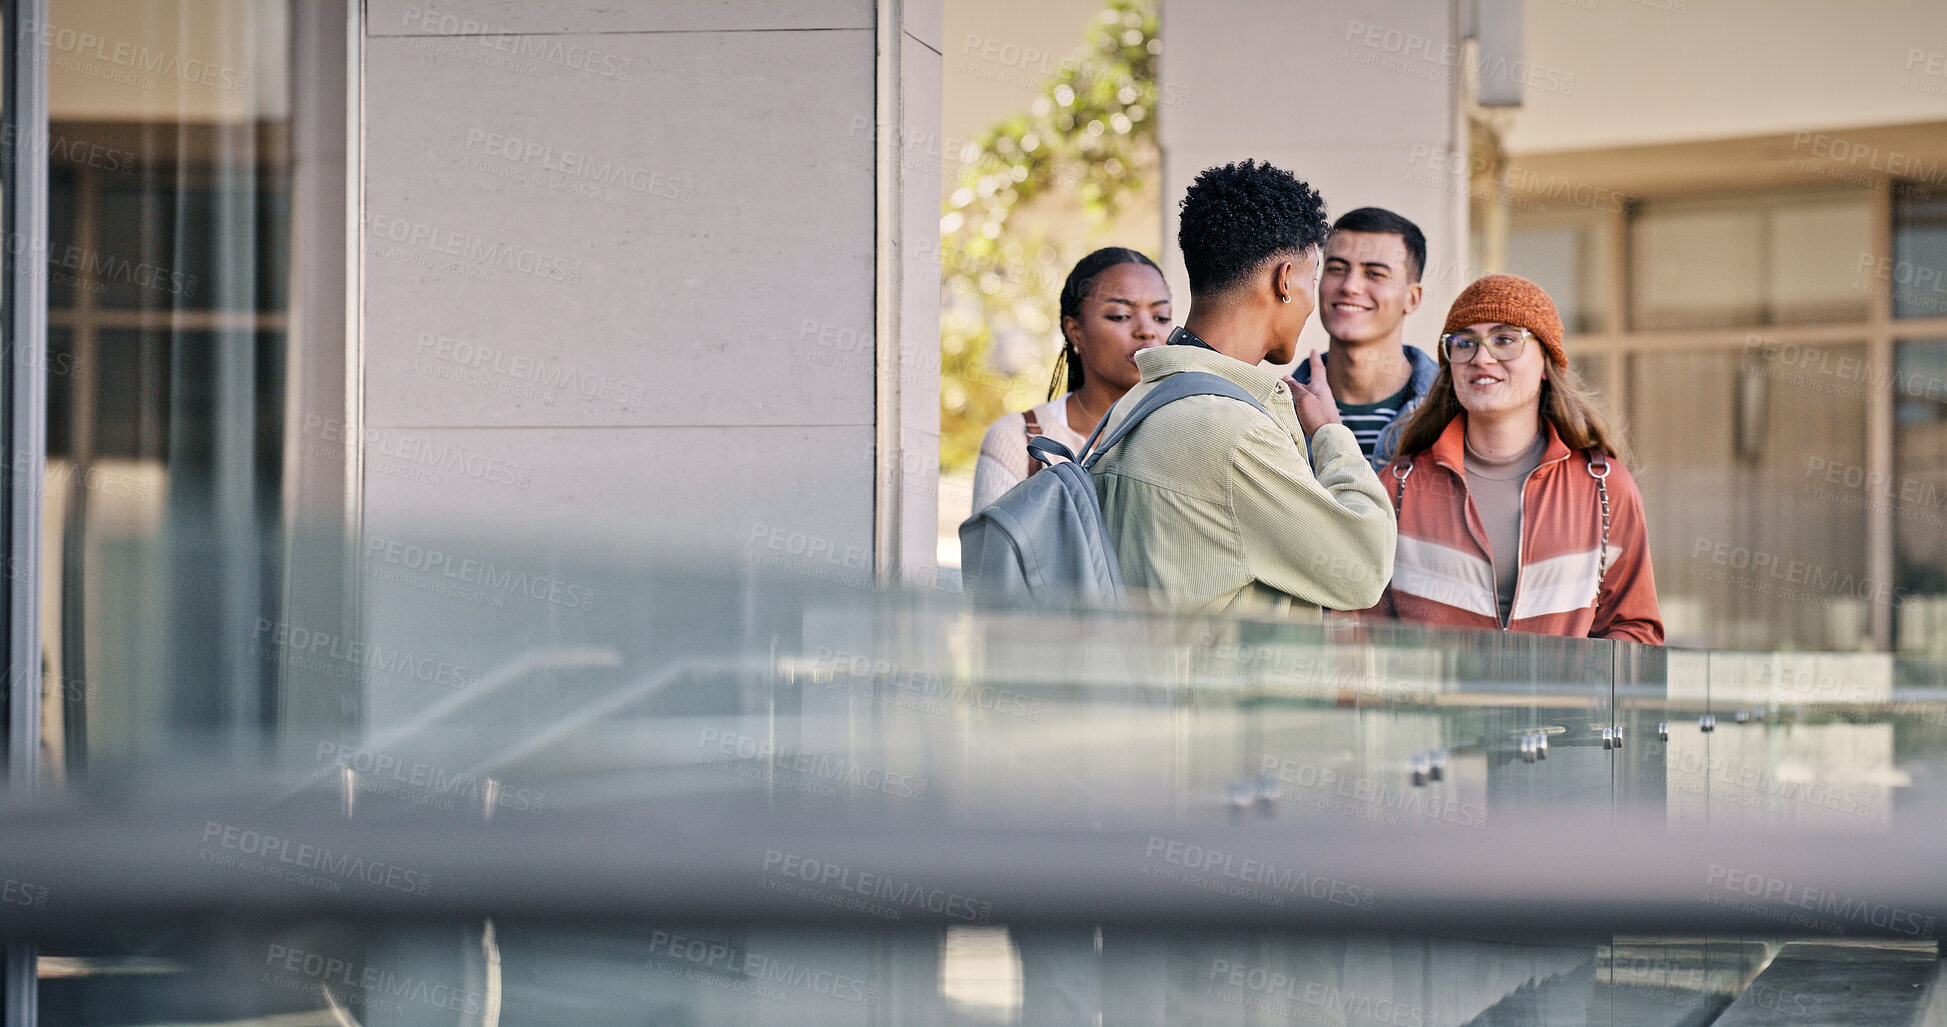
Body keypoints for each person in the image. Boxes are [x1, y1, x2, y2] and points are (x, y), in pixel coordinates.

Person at [1087, 159, 1395, 619]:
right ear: (1284, 280)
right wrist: (1332, 434)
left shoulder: (1135, 404)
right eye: (1313, 279)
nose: (1312, 301)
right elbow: (1363, 571)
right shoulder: (1232, 433)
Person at [1369, 274, 1663, 642]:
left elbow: (1634, 628)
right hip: (1431, 701)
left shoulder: (1605, 489)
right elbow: (1362, 631)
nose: (1482, 358)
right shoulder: (1399, 486)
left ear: (1546, 363)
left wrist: (1576, 695)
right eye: (1464, 343)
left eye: (1505, 339)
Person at [969, 247, 1171, 513]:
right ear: (1075, 331)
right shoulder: (1016, 440)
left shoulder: (1182, 436)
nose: (1147, 331)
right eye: (1120, 316)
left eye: (1161, 317)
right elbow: (990, 553)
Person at [1293, 207, 1441, 470]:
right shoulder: (1276, 411)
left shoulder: (1451, 411)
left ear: (1412, 297)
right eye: (1337, 268)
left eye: (1375, 273)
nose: (1350, 286)